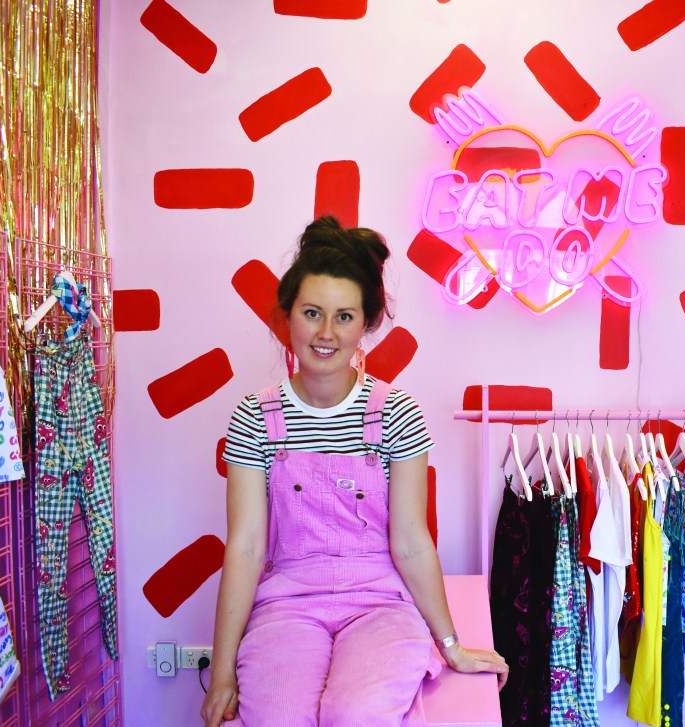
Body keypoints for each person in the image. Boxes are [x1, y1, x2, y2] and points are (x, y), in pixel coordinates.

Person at [201, 216, 508, 726]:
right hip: (287, 606)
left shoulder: (397, 414)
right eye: (312, 313)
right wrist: (223, 673)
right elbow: (247, 547)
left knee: (356, 713)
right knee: (278, 716)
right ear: (288, 316)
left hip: (381, 605)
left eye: (344, 316)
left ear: (365, 324)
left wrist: (451, 645)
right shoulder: (254, 418)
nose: (326, 333)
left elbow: (411, 543)